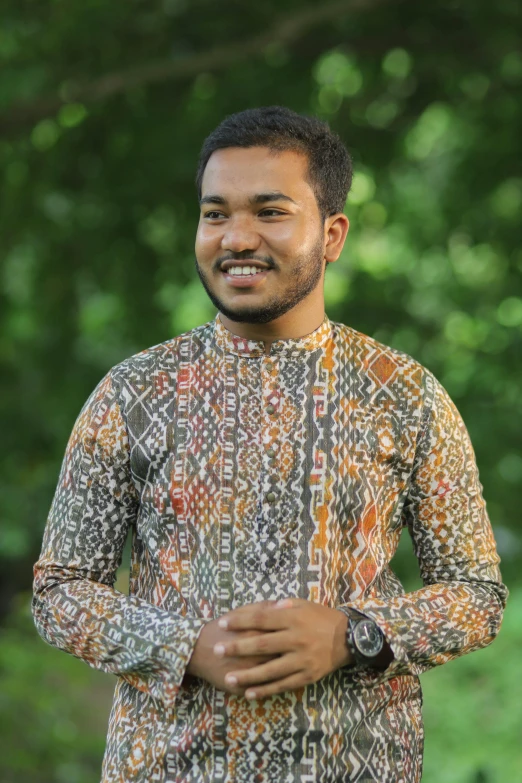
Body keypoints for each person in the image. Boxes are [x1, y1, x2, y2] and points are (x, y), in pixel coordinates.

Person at [32, 106, 507, 783]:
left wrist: (353, 634)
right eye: (216, 213)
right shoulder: (133, 394)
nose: (237, 237)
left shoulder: (404, 394)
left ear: (333, 233)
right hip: (167, 766)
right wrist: (183, 644)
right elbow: (60, 591)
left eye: (270, 212)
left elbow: (477, 594)